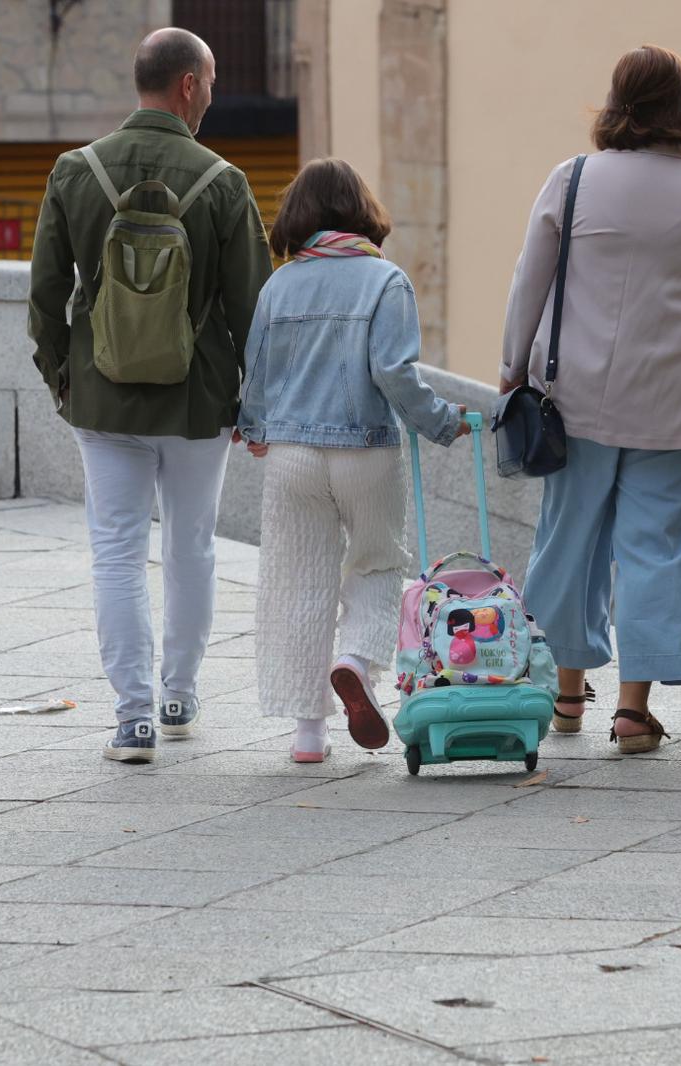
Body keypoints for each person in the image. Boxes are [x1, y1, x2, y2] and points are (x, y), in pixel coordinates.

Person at [27, 28, 272, 764]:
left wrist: (64, 377)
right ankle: (178, 696)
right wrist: (255, 401)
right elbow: (253, 310)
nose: (213, 96)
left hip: (102, 398)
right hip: (198, 400)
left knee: (116, 553)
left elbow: (45, 293)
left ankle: (132, 719)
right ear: (188, 86)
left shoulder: (76, 171)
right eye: (212, 82)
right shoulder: (222, 181)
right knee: (191, 546)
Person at [500, 45, 681, 755]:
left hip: (575, 398)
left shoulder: (573, 180)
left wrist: (512, 368)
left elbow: (529, 282)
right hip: (677, 403)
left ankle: (566, 694)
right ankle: (633, 712)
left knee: (570, 539)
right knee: (657, 548)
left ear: (616, 104)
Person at [237, 158, 468, 763]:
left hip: (292, 453)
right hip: (364, 449)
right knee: (378, 562)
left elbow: (255, 370)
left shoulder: (279, 285)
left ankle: (308, 736)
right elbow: (395, 372)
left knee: (298, 581)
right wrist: (441, 421)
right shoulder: (385, 280)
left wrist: (255, 427)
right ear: (361, 211)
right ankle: (357, 660)